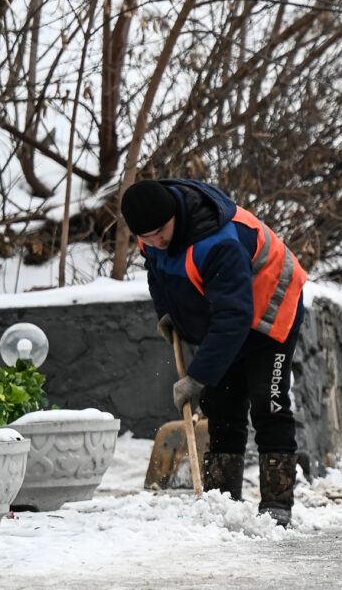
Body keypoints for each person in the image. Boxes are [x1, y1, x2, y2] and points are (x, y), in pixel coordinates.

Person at [123, 177, 307, 526]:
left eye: (161, 231)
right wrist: (167, 313)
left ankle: (277, 506)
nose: (157, 241)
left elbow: (235, 316)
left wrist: (198, 376)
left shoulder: (217, 241)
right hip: (228, 313)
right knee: (222, 405)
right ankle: (222, 498)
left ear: (174, 214)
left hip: (271, 309)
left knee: (268, 402)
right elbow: (157, 274)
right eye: (147, 237)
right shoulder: (152, 239)